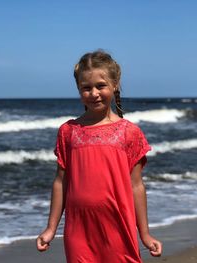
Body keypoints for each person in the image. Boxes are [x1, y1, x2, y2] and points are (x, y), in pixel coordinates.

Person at [36, 50, 162, 262]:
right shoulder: (68, 131)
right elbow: (61, 182)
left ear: (115, 85)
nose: (93, 93)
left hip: (119, 225)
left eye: (100, 86)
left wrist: (145, 234)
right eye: (86, 88)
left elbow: (136, 186)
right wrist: (51, 228)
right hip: (79, 229)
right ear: (78, 89)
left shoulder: (129, 132)